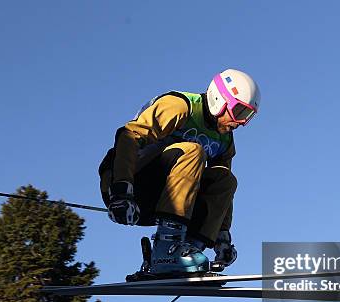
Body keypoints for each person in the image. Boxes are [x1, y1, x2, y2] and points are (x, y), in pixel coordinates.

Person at [98, 68, 261, 280]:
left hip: (170, 201)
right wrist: (121, 191)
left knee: (225, 179)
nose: (241, 122)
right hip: (129, 183)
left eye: (248, 117)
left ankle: (186, 251)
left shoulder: (225, 141)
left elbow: (221, 194)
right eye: (239, 112)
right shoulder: (181, 107)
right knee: (193, 150)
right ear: (219, 100)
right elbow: (128, 137)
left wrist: (222, 236)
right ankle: (166, 250)